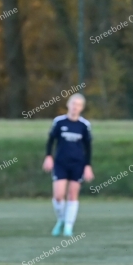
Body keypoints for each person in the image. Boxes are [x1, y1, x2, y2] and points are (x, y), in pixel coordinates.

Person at [43, 93, 94, 237]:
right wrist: (48, 156)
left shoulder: (84, 125)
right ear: (68, 105)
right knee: (58, 196)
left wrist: (88, 166)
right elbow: (51, 141)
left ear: (81, 108)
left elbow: (88, 147)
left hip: (77, 164)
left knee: (73, 195)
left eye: (78, 105)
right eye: (73, 104)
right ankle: (61, 219)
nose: (75, 107)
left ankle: (68, 227)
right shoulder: (59, 122)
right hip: (60, 163)